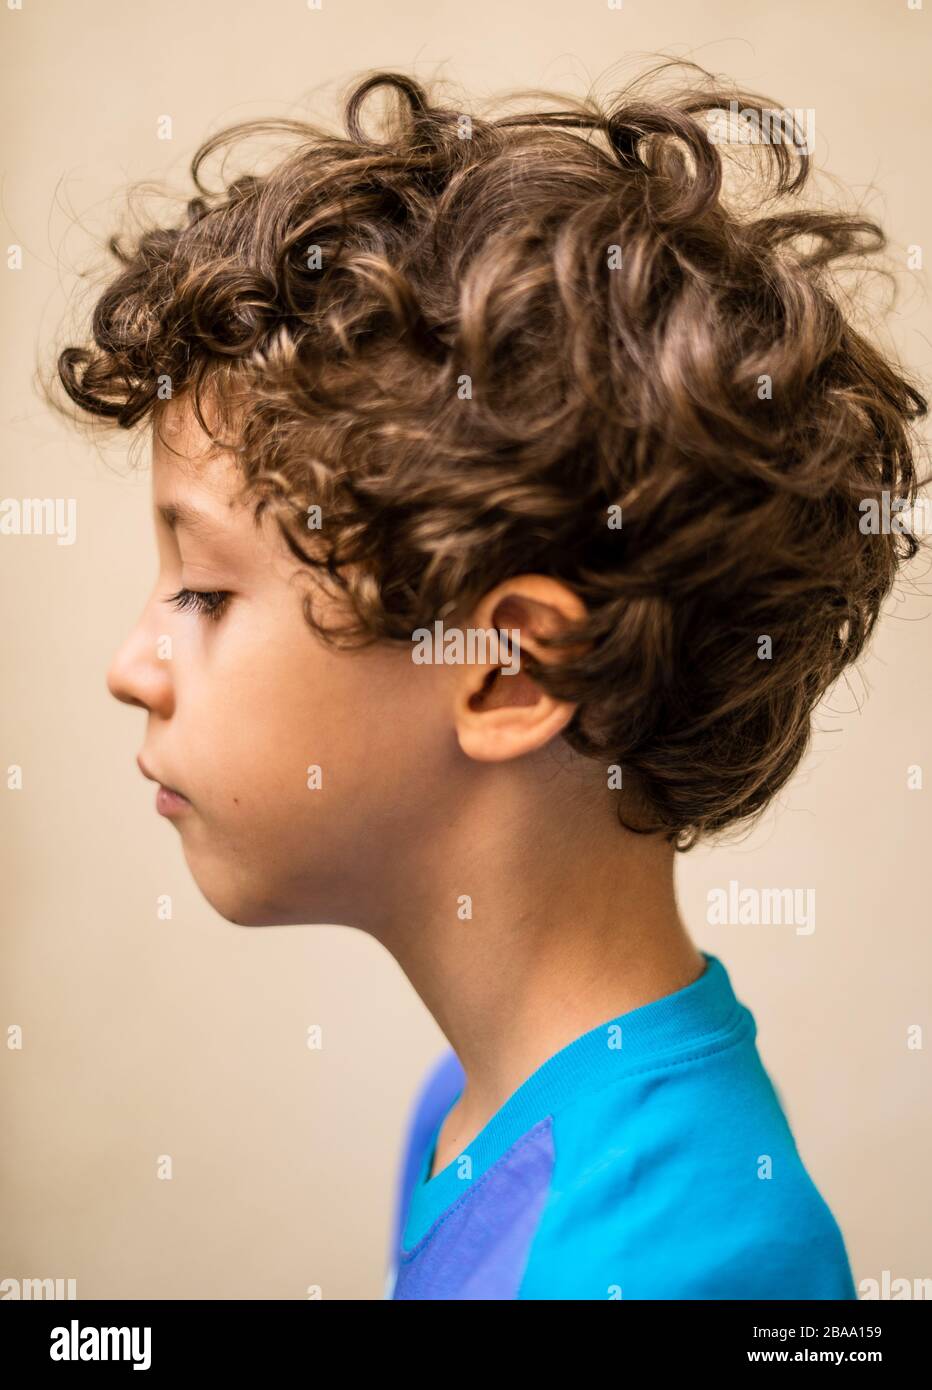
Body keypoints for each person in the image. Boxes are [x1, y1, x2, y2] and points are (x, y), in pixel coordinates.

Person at [47, 62, 925, 1299]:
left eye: (201, 591)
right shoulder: (473, 1109)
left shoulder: (676, 1266)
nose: (130, 667)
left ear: (507, 669)